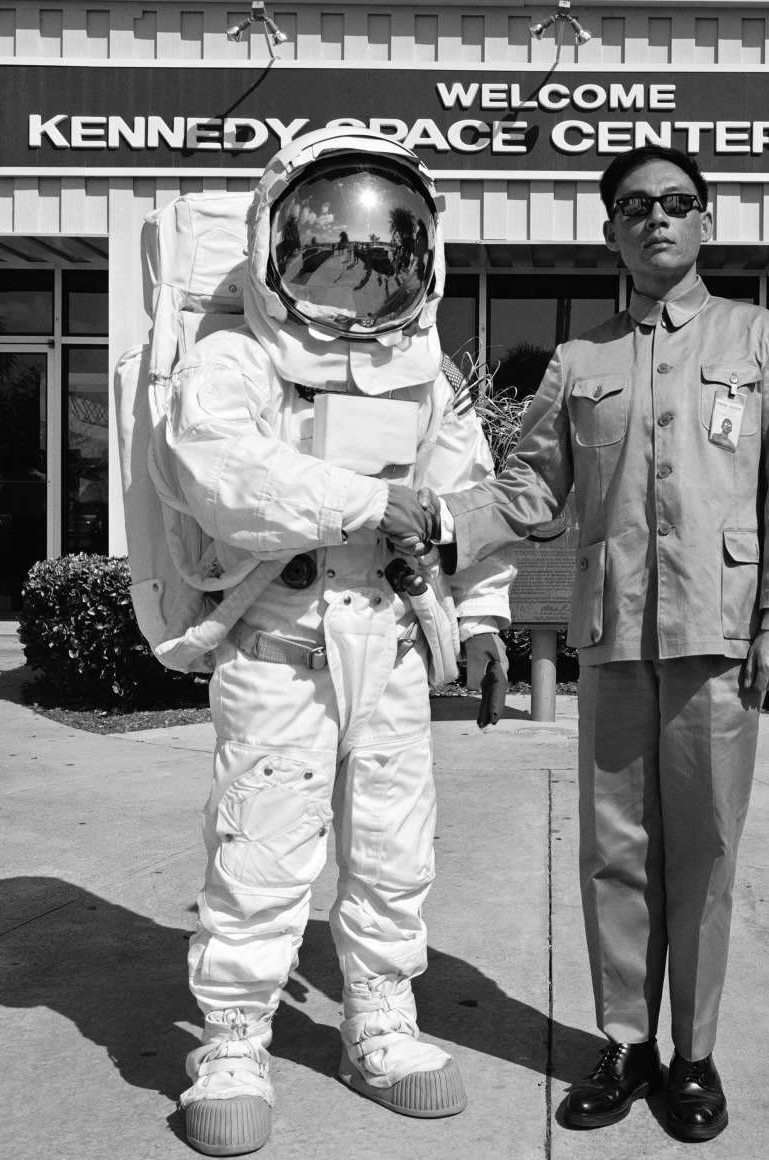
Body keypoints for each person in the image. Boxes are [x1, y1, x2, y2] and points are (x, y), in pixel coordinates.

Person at [403, 145, 769, 1141]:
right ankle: (625, 1040)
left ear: (705, 221)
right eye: (634, 207)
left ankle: (694, 1054)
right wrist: (435, 519)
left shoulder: (762, 339)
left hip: (718, 637)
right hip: (615, 635)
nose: (655, 220)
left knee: (705, 849)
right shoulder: (578, 361)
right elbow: (531, 487)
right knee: (613, 852)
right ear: (610, 231)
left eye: (676, 203)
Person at [161, 127, 512, 1157]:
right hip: (282, 638)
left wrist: (483, 614)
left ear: (420, 255)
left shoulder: (422, 370)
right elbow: (219, 475)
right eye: (331, 242)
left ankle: (381, 1022)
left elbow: (469, 494)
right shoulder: (236, 356)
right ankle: (229, 1042)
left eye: (385, 245)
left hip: (393, 640)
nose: (360, 265)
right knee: (264, 847)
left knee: (393, 850)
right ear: (281, 238)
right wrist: (368, 502)